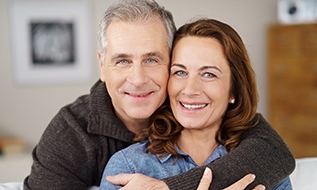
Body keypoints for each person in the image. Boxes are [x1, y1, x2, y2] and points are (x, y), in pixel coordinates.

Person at [23, 0, 295, 189]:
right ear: (102, 66)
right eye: (122, 61)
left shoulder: (194, 104)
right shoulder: (72, 134)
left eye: (152, 59)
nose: (139, 79)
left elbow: (276, 153)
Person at [100, 18, 292, 190]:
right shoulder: (130, 166)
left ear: (234, 90)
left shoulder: (260, 163)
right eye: (180, 72)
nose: (190, 89)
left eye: (209, 74)